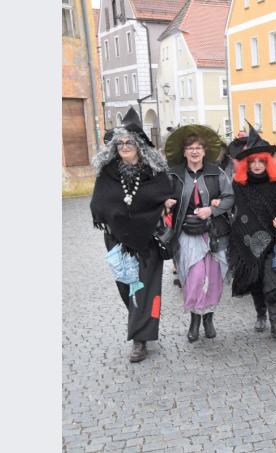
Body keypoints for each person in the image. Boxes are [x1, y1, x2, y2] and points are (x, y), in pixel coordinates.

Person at [90, 107, 173, 362]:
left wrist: (164, 204)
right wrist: (111, 218)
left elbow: (164, 194)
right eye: (120, 142)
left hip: (148, 241)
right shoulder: (108, 173)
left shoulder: (153, 172)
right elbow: (99, 203)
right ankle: (141, 322)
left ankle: (139, 340)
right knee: (127, 289)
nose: (124, 146)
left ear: (139, 146)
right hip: (117, 241)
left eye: (129, 142)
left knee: (145, 291)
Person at [164, 125, 234, 343]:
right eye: (190, 148)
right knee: (194, 277)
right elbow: (161, 196)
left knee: (213, 277)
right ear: (184, 152)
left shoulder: (216, 172)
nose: (194, 151)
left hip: (213, 233)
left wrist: (212, 209)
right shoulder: (174, 173)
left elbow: (230, 197)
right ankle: (195, 319)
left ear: (204, 151)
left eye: (198, 148)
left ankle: (208, 319)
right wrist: (165, 202)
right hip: (186, 233)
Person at [229, 127, 276, 338]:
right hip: (247, 239)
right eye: (253, 162)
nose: (257, 165)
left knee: (273, 280)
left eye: (261, 161)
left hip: (273, 239)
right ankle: (261, 314)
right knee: (256, 281)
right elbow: (229, 205)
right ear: (247, 164)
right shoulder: (239, 184)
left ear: (268, 162)